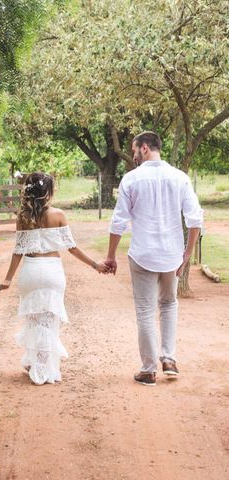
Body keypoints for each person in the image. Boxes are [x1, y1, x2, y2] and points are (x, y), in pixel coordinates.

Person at [105, 131, 203, 386]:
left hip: (143, 254)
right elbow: (195, 220)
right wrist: (187, 255)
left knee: (146, 311)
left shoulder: (131, 179)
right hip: (172, 254)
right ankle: (169, 360)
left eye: (135, 149)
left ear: (145, 148)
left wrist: (111, 256)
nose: (134, 155)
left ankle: (148, 370)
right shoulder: (179, 177)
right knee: (169, 304)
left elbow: (119, 222)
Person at [0, 172, 109, 385]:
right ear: (47, 192)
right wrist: (95, 265)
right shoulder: (58, 215)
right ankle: (42, 368)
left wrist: (7, 279)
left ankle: (34, 361)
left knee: (33, 320)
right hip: (51, 272)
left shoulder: (23, 217)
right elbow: (72, 248)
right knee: (49, 322)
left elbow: (18, 251)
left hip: (30, 272)